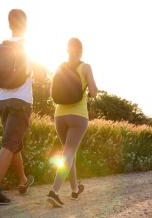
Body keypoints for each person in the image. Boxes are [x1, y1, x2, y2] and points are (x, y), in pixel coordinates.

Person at [0, 9, 34, 205]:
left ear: (9, 24)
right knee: (8, 145)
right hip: (21, 102)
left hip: (2, 100)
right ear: (26, 24)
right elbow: (36, 73)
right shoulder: (29, 48)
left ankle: (22, 181)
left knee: (13, 144)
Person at [47, 38, 98, 207]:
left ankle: (75, 189)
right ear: (81, 50)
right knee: (68, 154)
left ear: (67, 50)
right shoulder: (85, 67)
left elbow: (51, 91)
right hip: (78, 116)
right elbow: (94, 91)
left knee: (69, 154)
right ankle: (54, 192)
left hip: (59, 115)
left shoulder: (60, 66)